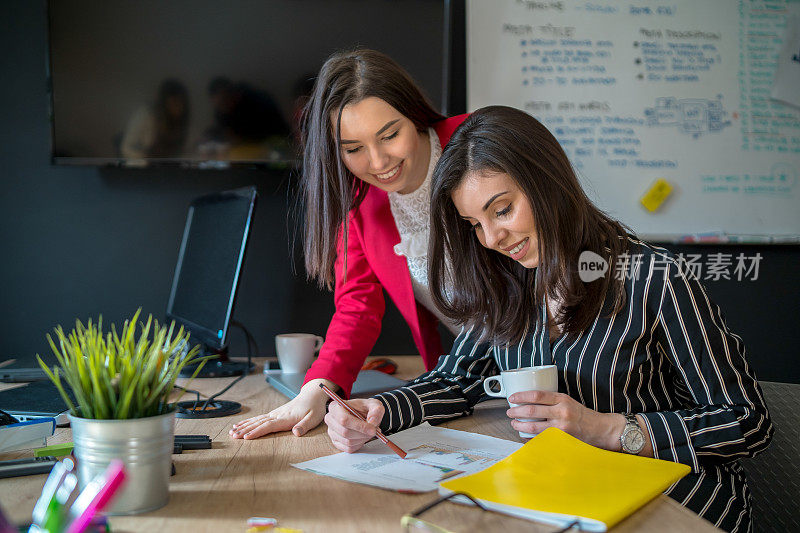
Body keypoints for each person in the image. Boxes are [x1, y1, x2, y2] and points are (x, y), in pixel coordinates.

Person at [323, 106, 773, 532]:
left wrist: (609, 428)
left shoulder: (652, 278)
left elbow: (747, 420)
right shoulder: (507, 282)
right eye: (475, 224)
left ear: (546, 182)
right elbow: (459, 379)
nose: (494, 238)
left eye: (502, 210)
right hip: (571, 493)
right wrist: (382, 409)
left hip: (677, 502)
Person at [229, 49, 468, 440]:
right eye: (353, 148)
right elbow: (358, 304)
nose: (378, 162)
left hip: (559, 352)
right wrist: (316, 389)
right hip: (474, 373)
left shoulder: (476, 140)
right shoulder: (359, 201)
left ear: (415, 114)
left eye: (389, 135)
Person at [120, 78, 190, 159]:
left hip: (172, 168)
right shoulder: (146, 114)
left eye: (181, 103)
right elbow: (126, 147)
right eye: (174, 102)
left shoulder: (183, 125)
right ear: (164, 102)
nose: (178, 108)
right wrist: (147, 160)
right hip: (144, 166)